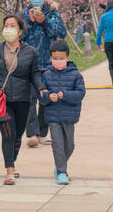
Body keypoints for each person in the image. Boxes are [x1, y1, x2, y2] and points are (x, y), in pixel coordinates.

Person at [0, 14, 46, 185]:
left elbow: (35, 74)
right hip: (1, 100)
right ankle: (9, 171)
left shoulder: (30, 52)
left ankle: (12, 164)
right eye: (6, 25)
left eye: (12, 26)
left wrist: (41, 87)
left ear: (20, 31)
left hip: (23, 99)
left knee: (17, 136)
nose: (8, 29)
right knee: (8, 134)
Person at [22, 0, 67, 147]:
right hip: (28, 64)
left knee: (46, 99)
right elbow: (17, 37)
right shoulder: (23, 15)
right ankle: (32, 133)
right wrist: (31, 23)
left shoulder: (53, 13)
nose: (37, 0)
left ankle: (42, 133)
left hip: (49, 64)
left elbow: (61, 32)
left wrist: (45, 22)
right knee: (30, 100)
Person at [40, 40, 86, 185]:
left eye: (61, 58)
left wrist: (64, 95)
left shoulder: (76, 75)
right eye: (55, 59)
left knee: (69, 145)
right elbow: (40, 97)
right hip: (53, 116)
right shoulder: (46, 76)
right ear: (50, 58)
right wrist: (48, 97)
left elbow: (80, 94)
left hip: (69, 116)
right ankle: (61, 172)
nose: (58, 61)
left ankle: (60, 165)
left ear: (68, 58)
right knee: (58, 145)